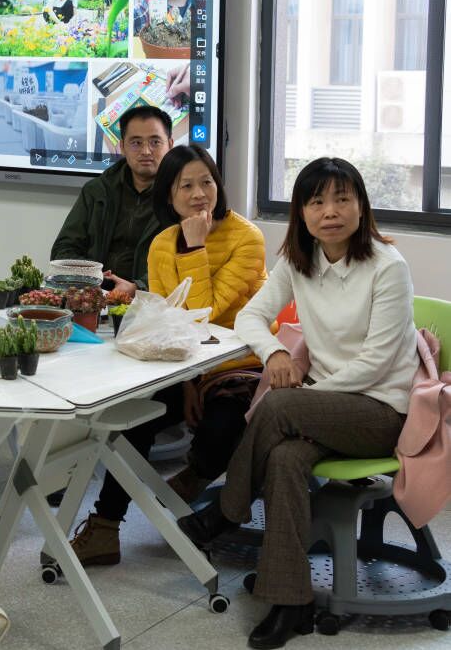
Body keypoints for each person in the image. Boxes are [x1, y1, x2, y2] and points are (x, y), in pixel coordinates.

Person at [178, 157, 417, 650]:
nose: (330, 211)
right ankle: (291, 602)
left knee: (280, 406)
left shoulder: (388, 267)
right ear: (302, 213)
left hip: (380, 413)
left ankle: (227, 509)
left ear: (361, 206)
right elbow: (250, 318)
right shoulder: (298, 261)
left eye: (342, 199)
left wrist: (302, 398)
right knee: (285, 458)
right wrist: (276, 353)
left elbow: (375, 365)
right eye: (316, 201)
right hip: (320, 408)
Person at [68, 145, 267, 566]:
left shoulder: (246, 237)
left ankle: (196, 476)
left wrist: (195, 248)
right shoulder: (162, 243)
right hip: (184, 365)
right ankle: (104, 527)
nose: (199, 194)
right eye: (185, 186)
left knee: (222, 425)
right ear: (169, 196)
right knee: (134, 419)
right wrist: (188, 382)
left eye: (206, 182)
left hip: (242, 367)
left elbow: (205, 314)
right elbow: (168, 322)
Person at [50, 105, 173, 297]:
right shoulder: (97, 191)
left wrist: (138, 288)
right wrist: (92, 278)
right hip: (92, 295)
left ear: (170, 145)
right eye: (136, 143)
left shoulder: (180, 197)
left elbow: (181, 264)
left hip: (149, 301)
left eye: (155, 142)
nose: (146, 151)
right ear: (122, 146)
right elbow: (63, 250)